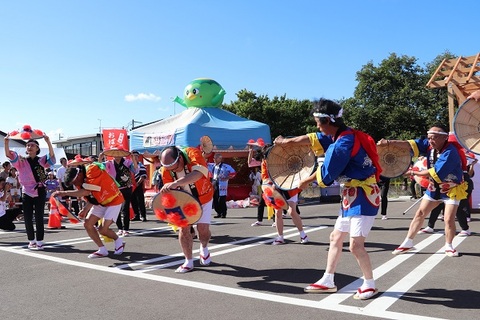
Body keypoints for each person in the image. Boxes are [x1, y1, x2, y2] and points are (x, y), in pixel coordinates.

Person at [274, 98, 381, 300]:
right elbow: (311, 138)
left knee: (356, 246)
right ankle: (328, 279)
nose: (317, 127)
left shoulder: (343, 143)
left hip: (363, 197)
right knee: (335, 238)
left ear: (329, 122)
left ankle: (370, 284)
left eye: (318, 123)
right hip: (351, 195)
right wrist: (285, 142)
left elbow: (328, 174)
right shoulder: (340, 135)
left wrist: (305, 181)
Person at [379, 123, 467, 257]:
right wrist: (389, 142)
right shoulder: (429, 145)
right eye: (430, 137)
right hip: (434, 187)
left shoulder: (451, 151)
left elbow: (434, 172)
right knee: (420, 213)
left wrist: (413, 173)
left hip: (451, 188)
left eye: (435, 137)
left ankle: (449, 246)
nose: (431, 140)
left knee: (449, 219)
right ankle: (408, 243)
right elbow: (409, 144)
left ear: (445, 138)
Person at [52, 163, 126, 258]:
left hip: (114, 200)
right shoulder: (81, 181)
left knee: (103, 229)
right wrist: (85, 209)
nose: (75, 185)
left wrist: (64, 193)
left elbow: (87, 191)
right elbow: (92, 196)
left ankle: (118, 240)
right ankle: (102, 249)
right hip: (101, 202)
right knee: (87, 224)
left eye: (74, 182)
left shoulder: (91, 171)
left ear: (78, 175)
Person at [159, 146, 214, 273]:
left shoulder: (192, 153)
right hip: (184, 201)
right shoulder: (165, 170)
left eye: (175, 167)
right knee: (183, 230)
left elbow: (198, 174)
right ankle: (188, 261)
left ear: (180, 158)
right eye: (168, 168)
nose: (172, 170)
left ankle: (204, 247)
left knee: (203, 230)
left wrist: (176, 183)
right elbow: (171, 192)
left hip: (204, 197)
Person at [4, 135, 55, 250]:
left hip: (40, 190)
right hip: (26, 191)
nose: (29, 147)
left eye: (32, 145)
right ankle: (31, 240)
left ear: (37, 148)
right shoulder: (21, 160)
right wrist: (6, 142)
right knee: (27, 217)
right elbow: (9, 155)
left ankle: (40, 241)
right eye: (28, 145)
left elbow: (52, 157)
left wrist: (48, 142)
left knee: (39, 217)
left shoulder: (42, 160)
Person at [99, 150, 138, 237]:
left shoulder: (127, 162)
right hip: (115, 189)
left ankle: (126, 229)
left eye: (119, 154)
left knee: (125, 208)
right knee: (116, 209)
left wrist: (133, 159)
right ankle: (120, 228)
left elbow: (135, 170)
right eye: (115, 154)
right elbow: (99, 168)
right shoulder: (109, 163)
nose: (117, 155)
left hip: (126, 188)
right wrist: (100, 158)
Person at [208, 153, 236, 218]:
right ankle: (218, 212)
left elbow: (233, 173)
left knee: (221, 199)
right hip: (214, 182)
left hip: (222, 183)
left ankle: (223, 213)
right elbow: (204, 162)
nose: (214, 160)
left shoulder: (226, 166)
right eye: (214, 158)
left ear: (220, 159)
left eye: (216, 158)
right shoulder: (212, 165)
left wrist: (227, 178)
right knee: (215, 198)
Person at [130, 151, 148, 222]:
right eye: (133, 156)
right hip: (131, 185)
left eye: (136, 156)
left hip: (138, 185)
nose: (135, 157)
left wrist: (137, 183)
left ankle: (143, 216)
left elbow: (143, 176)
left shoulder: (141, 165)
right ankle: (136, 215)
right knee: (133, 200)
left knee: (140, 201)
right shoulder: (130, 165)